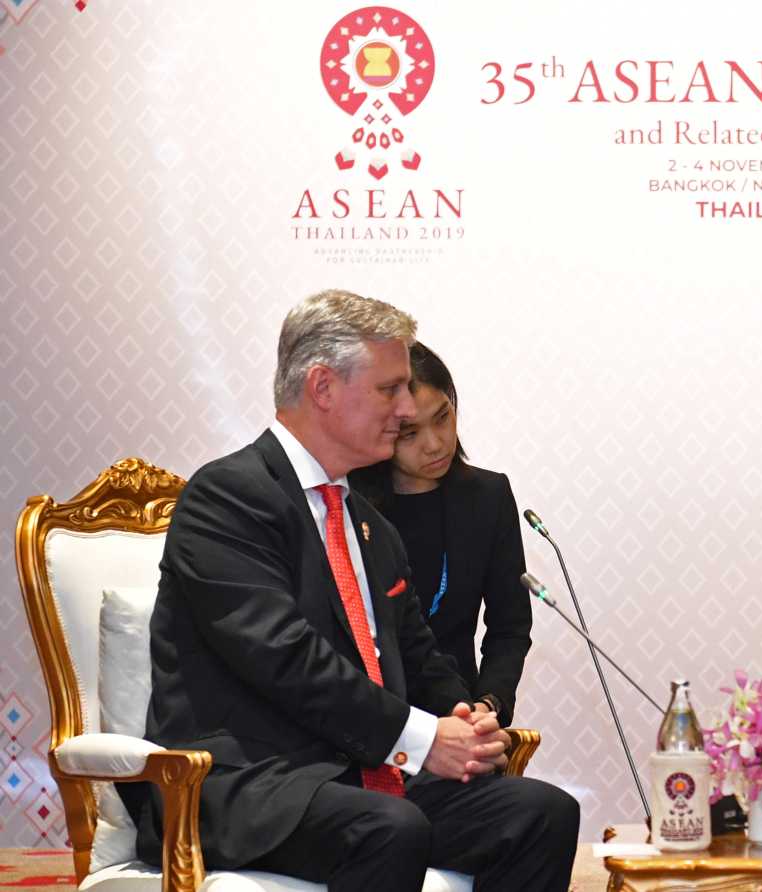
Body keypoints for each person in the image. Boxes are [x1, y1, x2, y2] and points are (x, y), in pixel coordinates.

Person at [127, 290, 579, 892]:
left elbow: (418, 653)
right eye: (389, 389)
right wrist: (420, 740)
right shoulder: (228, 497)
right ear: (323, 388)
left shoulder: (366, 522)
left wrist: (466, 717)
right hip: (248, 784)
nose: (403, 407)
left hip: (355, 778)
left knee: (541, 814)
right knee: (389, 828)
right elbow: (285, 657)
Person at [350, 342, 531, 727]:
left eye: (443, 417)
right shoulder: (349, 506)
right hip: (372, 719)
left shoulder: (488, 497)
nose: (435, 443)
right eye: (409, 433)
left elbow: (510, 626)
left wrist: (488, 704)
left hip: (458, 714)